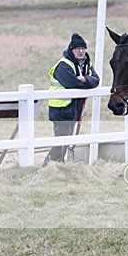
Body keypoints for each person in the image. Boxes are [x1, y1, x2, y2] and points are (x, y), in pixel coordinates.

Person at [44, 33, 99, 165]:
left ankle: (57, 165)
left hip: (73, 108)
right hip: (60, 108)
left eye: (83, 48)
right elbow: (73, 84)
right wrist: (87, 83)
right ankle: (49, 165)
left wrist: (85, 79)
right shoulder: (64, 65)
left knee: (66, 139)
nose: (81, 51)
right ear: (71, 50)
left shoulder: (86, 64)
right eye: (77, 48)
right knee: (61, 140)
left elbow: (96, 80)